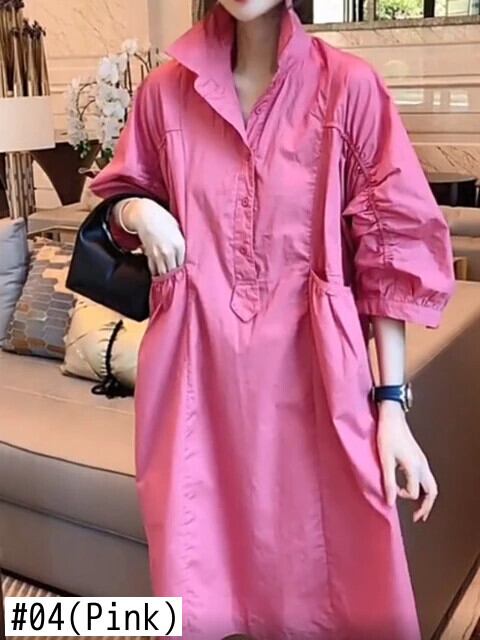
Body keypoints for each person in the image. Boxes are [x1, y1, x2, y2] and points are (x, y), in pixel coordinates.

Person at [89, 0, 456, 638]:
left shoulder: (350, 89)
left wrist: (392, 407)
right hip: (196, 382)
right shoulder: (163, 94)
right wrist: (137, 212)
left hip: (319, 380)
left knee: (340, 581)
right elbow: (121, 199)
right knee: (201, 573)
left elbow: (389, 252)